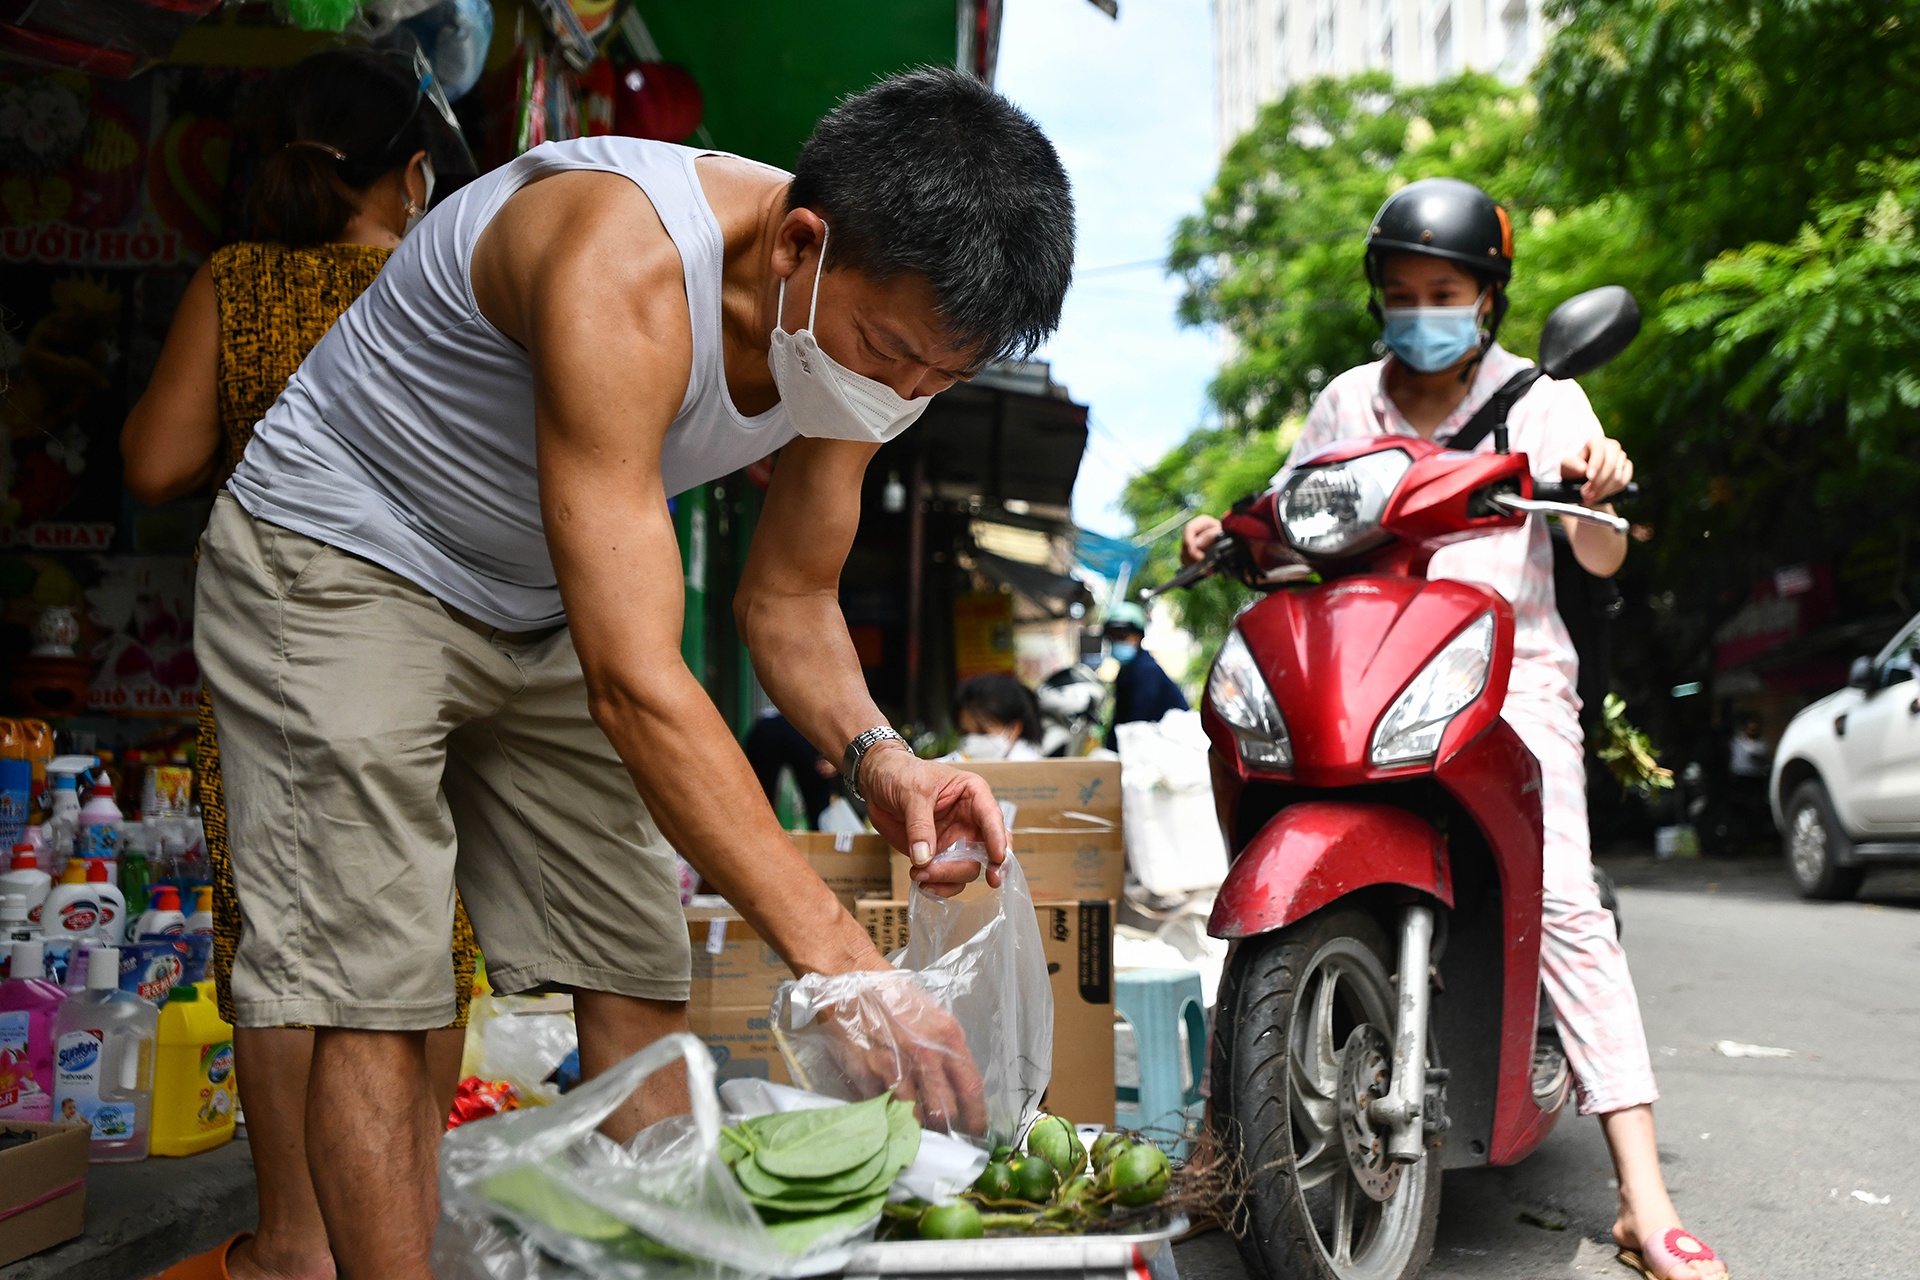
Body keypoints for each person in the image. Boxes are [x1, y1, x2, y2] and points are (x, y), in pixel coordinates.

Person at [191, 68, 1073, 1276]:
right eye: (893, 353)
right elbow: (635, 679)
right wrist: (847, 966)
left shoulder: (868, 345)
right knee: (381, 993)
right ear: (801, 244)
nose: (901, 395)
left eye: (939, 379)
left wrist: (885, 761)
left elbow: (790, 599)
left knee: (633, 969)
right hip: (344, 553)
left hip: (539, 592)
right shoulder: (623, 259)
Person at [1181, 178, 1727, 1280]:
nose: (1419, 311)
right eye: (1400, 293)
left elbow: (1602, 553)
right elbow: (1295, 526)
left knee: (1567, 896)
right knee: (1253, 823)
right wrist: (1227, 529)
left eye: (1444, 291)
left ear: (1487, 298)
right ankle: (1217, 1134)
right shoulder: (1344, 400)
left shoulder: (1543, 396)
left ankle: (1641, 1195)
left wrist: (1601, 486)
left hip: (1508, 673)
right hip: (1368, 657)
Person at [120, 48, 478, 1280]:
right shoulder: (451, 286)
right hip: (443, 660)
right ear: (414, 174)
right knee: (423, 945)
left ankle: (293, 1246)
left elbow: (157, 465)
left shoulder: (240, 281)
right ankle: (400, 1239)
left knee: (283, 950)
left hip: (276, 651)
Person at [1102, 601, 1188, 748]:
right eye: (1113, 637)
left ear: (1139, 637)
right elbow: (1120, 720)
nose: (1117, 642)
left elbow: (1137, 722)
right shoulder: (1126, 672)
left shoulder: (1147, 671)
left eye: (1123, 637)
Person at [743, 707, 839, 828]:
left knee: (760, 802)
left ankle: (755, 833)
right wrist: (836, 757)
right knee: (820, 809)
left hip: (767, 725)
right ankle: (823, 839)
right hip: (803, 727)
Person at [951, 672, 1044, 760]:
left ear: (1013, 729)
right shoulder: (956, 765)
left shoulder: (1033, 770)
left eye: (982, 732)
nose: (971, 740)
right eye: (964, 733)